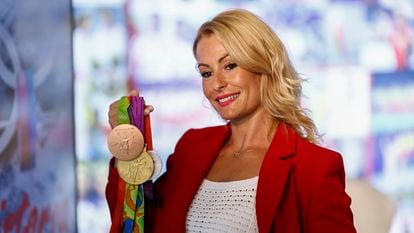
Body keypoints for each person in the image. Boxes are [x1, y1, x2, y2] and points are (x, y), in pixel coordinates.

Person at [106, 9, 356, 233]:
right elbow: (137, 222)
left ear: (264, 65)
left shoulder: (314, 167)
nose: (217, 84)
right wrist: (129, 143)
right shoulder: (193, 147)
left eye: (230, 65)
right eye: (206, 72)